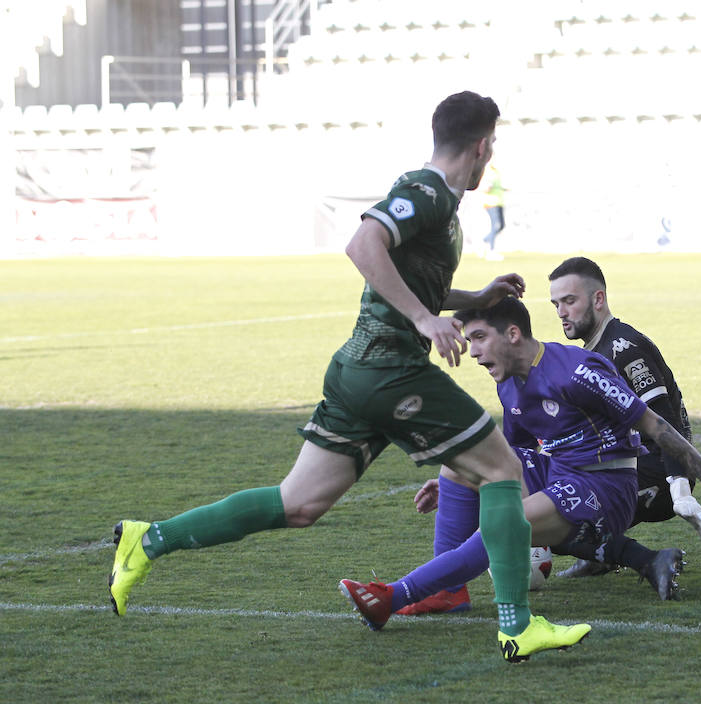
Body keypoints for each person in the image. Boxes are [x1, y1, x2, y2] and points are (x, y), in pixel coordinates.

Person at [107, 91, 590, 664]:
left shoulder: (437, 200)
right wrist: (421, 318)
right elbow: (363, 244)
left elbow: (416, 282)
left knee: (298, 504)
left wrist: (473, 299)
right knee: (502, 470)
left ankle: (148, 539)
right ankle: (518, 625)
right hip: (391, 368)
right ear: (482, 145)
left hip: (359, 371)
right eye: (494, 145)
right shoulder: (428, 192)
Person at [339, 297, 701, 630]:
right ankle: (447, 592)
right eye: (470, 341)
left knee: (502, 526)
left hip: (605, 487)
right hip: (559, 471)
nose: (473, 352)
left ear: (513, 334)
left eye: (480, 338)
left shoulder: (578, 371)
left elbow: (656, 426)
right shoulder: (509, 382)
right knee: (456, 464)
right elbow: (504, 455)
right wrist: (461, 477)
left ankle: (393, 597)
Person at [548, 256, 701, 579]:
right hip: (626, 464)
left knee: (554, 515)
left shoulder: (623, 348)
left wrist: (680, 490)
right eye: (556, 303)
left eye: (569, 301)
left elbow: (663, 420)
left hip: (656, 474)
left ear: (598, 299)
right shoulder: (593, 351)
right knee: (548, 494)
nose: (561, 312)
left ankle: (611, 551)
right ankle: (599, 553)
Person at [480, 162, 506, 260]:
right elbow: (485, 187)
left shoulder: (497, 172)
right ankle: (491, 251)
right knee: (496, 226)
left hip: (499, 202)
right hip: (491, 203)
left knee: (501, 226)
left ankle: (485, 241)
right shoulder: (488, 172)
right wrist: (488, 187)